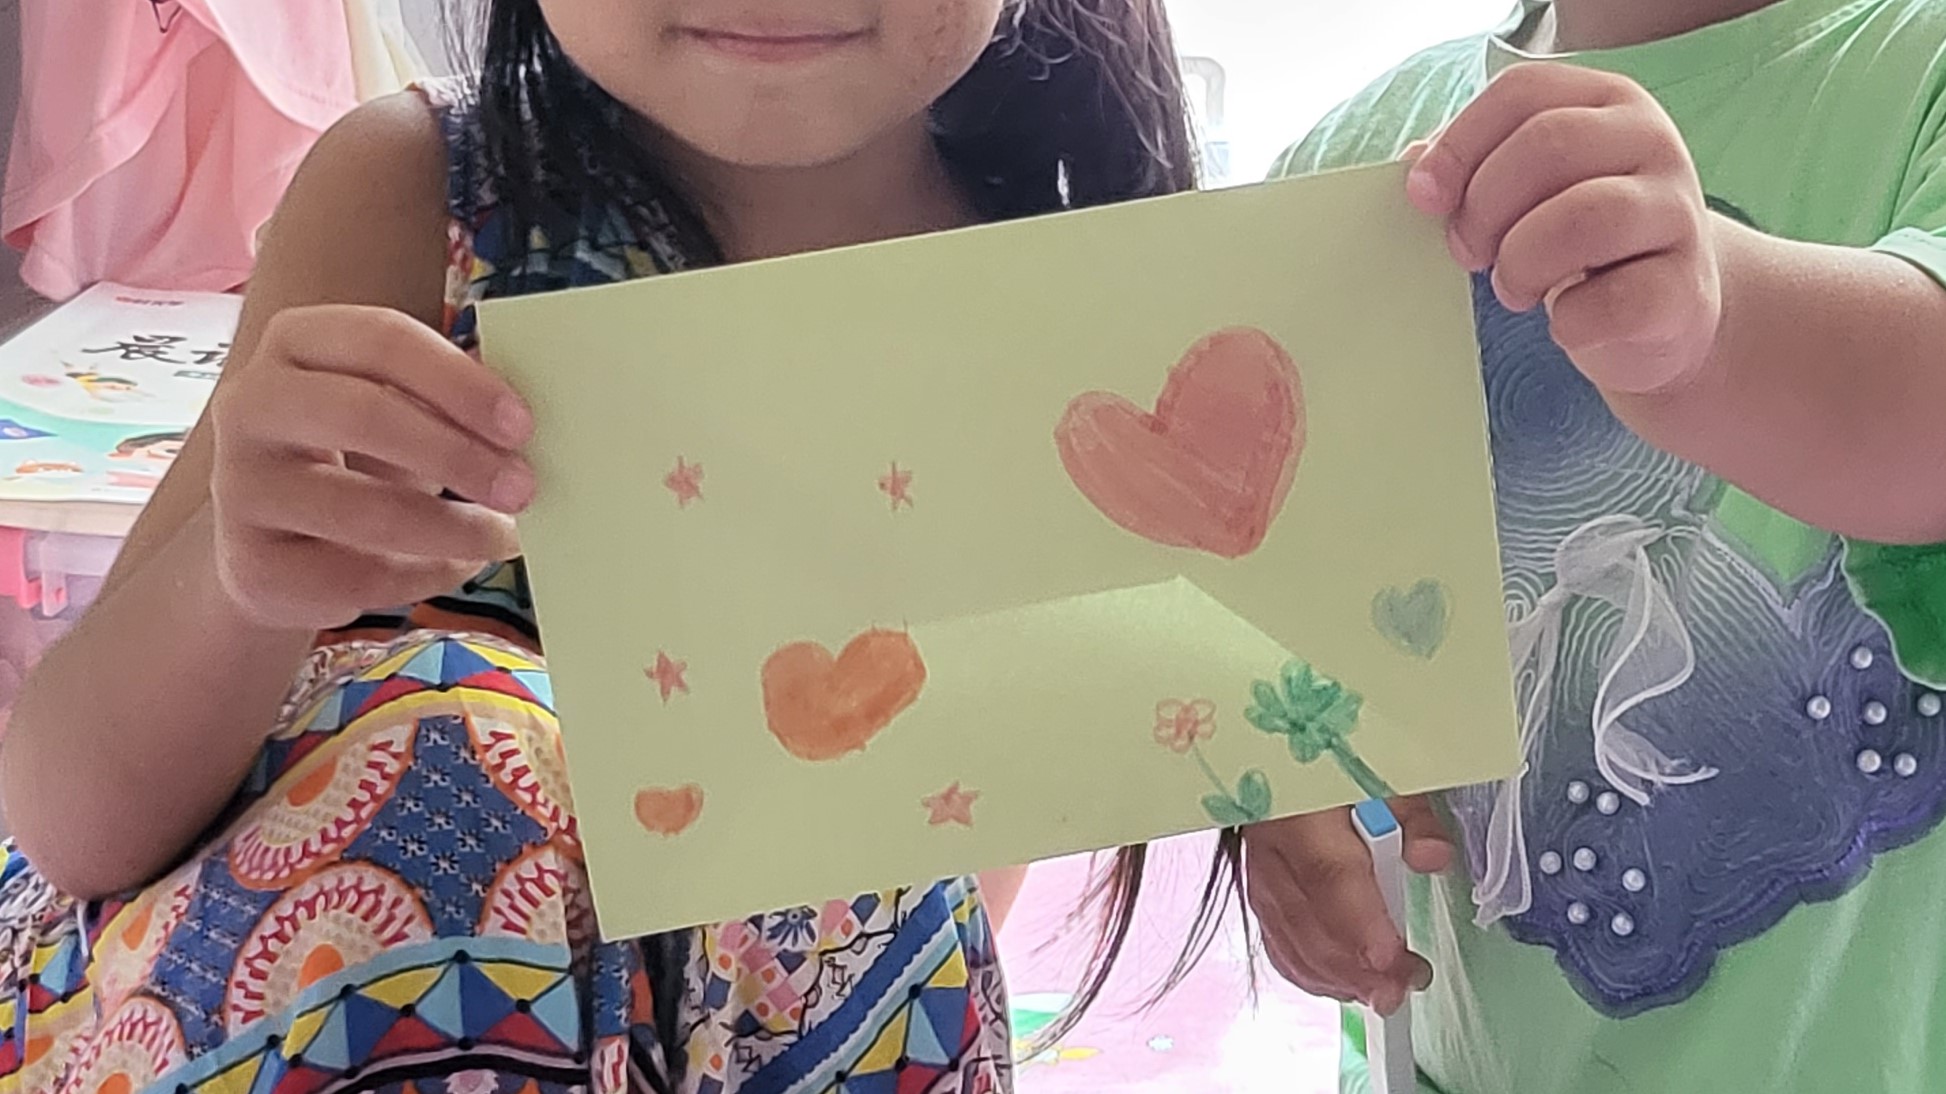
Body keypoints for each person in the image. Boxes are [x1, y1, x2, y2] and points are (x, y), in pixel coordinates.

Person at [0, 1, 1199, 1091]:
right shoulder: (413, 191)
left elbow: (932, 926)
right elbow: (72, 821)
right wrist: (236, 579)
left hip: (767, 1026)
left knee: (840, 860)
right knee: (462, 744)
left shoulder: (1072, 297)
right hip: (269, 1000)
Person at [1247, 0, 1946, 1090]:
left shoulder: (1916, 65)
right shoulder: (1349, 159)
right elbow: (1282, 620)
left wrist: (1713, 332)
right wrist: (1283, 793)